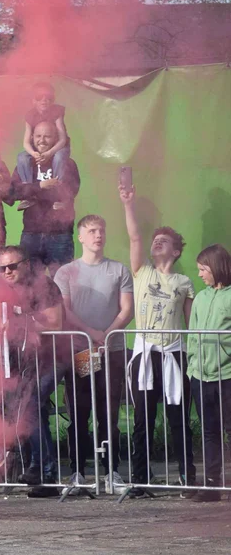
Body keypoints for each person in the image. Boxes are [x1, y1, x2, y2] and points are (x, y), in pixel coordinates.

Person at [120, 184, 195, 491]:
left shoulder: (184, 282)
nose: (156, 244)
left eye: (164, 242)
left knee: (177, 418)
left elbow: (190, 322)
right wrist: (128, 204)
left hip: (174, 353)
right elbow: (135, 237)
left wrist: (194, 352)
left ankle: (187, 475)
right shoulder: (142, 272)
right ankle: (140, 477)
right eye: (155, 241)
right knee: (143, 419)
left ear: (176, 251)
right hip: (146, 353)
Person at [54, 214, 134, 494]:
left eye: (101, 230)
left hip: (111, 351)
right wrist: (92, 334)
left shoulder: (118, 270)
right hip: (81, 353)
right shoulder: (66, 272)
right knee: (80, 412)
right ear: (80, 237)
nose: (98, 235)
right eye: (91, 231)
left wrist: (107, 334)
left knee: (109, 412)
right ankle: (78, 472)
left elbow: (127, 310)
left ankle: (112, 472)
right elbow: (65, 311)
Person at [0, 245, 64, 486]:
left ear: (26, 264)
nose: (7, 271)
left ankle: (45, 469)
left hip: (50, 358)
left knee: (30, 407)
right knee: (23, 409)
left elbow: (55, 324)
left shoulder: (45, 285)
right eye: (2, 268)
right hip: (19, 359)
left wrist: (23, 323)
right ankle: (35, 468)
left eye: (12, 266)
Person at [185, 244, 231, 501]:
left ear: (217, 267)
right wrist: (192, 364)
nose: (200, 274)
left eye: (204, 269)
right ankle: (213, 483)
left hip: (227, 375)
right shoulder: (201, 298)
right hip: (200, 375)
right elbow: (192, 334)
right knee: (209, 430)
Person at [7, 121, 80, 276]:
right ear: (32, 137)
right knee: (30, 286)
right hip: (31, 234)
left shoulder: (67, 164)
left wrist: (32, 193)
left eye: (47, 136)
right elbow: (15, 192)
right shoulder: (25, 164)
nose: (42, 140)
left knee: (62, 285)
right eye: (38, 136)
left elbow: (67, 192)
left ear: (56, 139)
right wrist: (41, 186)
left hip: (60, 235)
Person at [16, 82, 71, 190]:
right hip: (38, 148)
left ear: (53, 100)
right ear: (33, 101)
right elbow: (26, 142)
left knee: (59, 158)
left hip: (58, 147)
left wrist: (50, 153)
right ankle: (28, 189)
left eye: (48, 97)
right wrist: (33, 153)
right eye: (39, 97)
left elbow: (62, 139)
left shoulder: (57, 112)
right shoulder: (30, 115)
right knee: (22, 157)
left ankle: (57, 189)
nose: (44, 100)